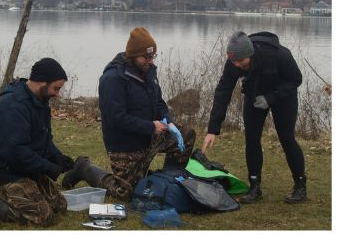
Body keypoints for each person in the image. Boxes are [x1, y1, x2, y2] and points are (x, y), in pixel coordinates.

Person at [61, 27, 195, 201]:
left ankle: (167, 182)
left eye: (153, 56)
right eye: (146, 57)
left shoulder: (149, 71)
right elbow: (116, 119)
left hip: (150, 134)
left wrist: (168, 121)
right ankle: (84, 168)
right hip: (125, 144)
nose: (150, 61)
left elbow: (159, 102)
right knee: (126, 192)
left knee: (186, 135)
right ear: (133, 55)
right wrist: (150, 126)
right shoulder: (113, 79)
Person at [0, 58, 73, 226]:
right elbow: (14, 152)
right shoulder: (12, 106)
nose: (57, 94)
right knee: (43, 217)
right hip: (4, 173)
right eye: (56, 88)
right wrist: (47, 167)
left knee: (60, 206)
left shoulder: (40, 102)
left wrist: (58, 157)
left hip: (25, 169)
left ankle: (21, 194)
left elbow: (44, 140)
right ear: (41, 82)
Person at [203, 31, 306, 204]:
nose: (237, 65)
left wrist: (271, 98)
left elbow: (296, 79)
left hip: (283, 95)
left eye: (241, 62)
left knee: (287, 138)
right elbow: (223, 91)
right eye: (233, 62)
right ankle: (255, 187)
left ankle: (300, 186)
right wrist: (213, 129)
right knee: (251, 138)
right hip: (254, 94)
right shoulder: (233, 63)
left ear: (250, 54)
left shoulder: (280, 55)